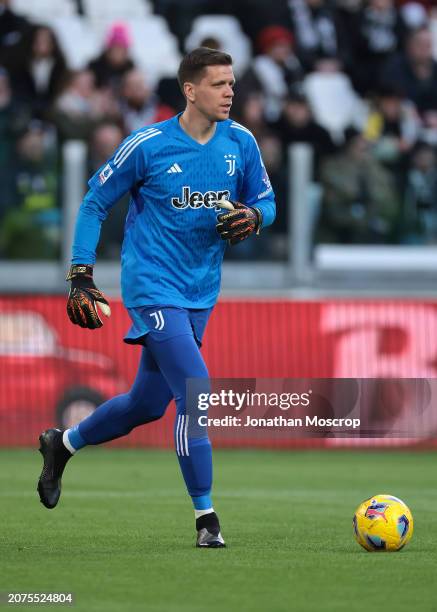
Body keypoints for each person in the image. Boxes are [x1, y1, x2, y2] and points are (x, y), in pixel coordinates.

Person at [36, 47, 276, 548]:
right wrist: (81, 274)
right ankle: (206, 519)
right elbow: (96, 201)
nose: (230, 91)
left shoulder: (242, 142)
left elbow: (267, 201)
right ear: (190, 91)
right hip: (151, 286)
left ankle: (62, 443)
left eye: (232, 83)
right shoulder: (148, 144)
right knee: (195, 387)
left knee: (148, 403)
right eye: (218, 84)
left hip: (200, 291)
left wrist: (254, 218)